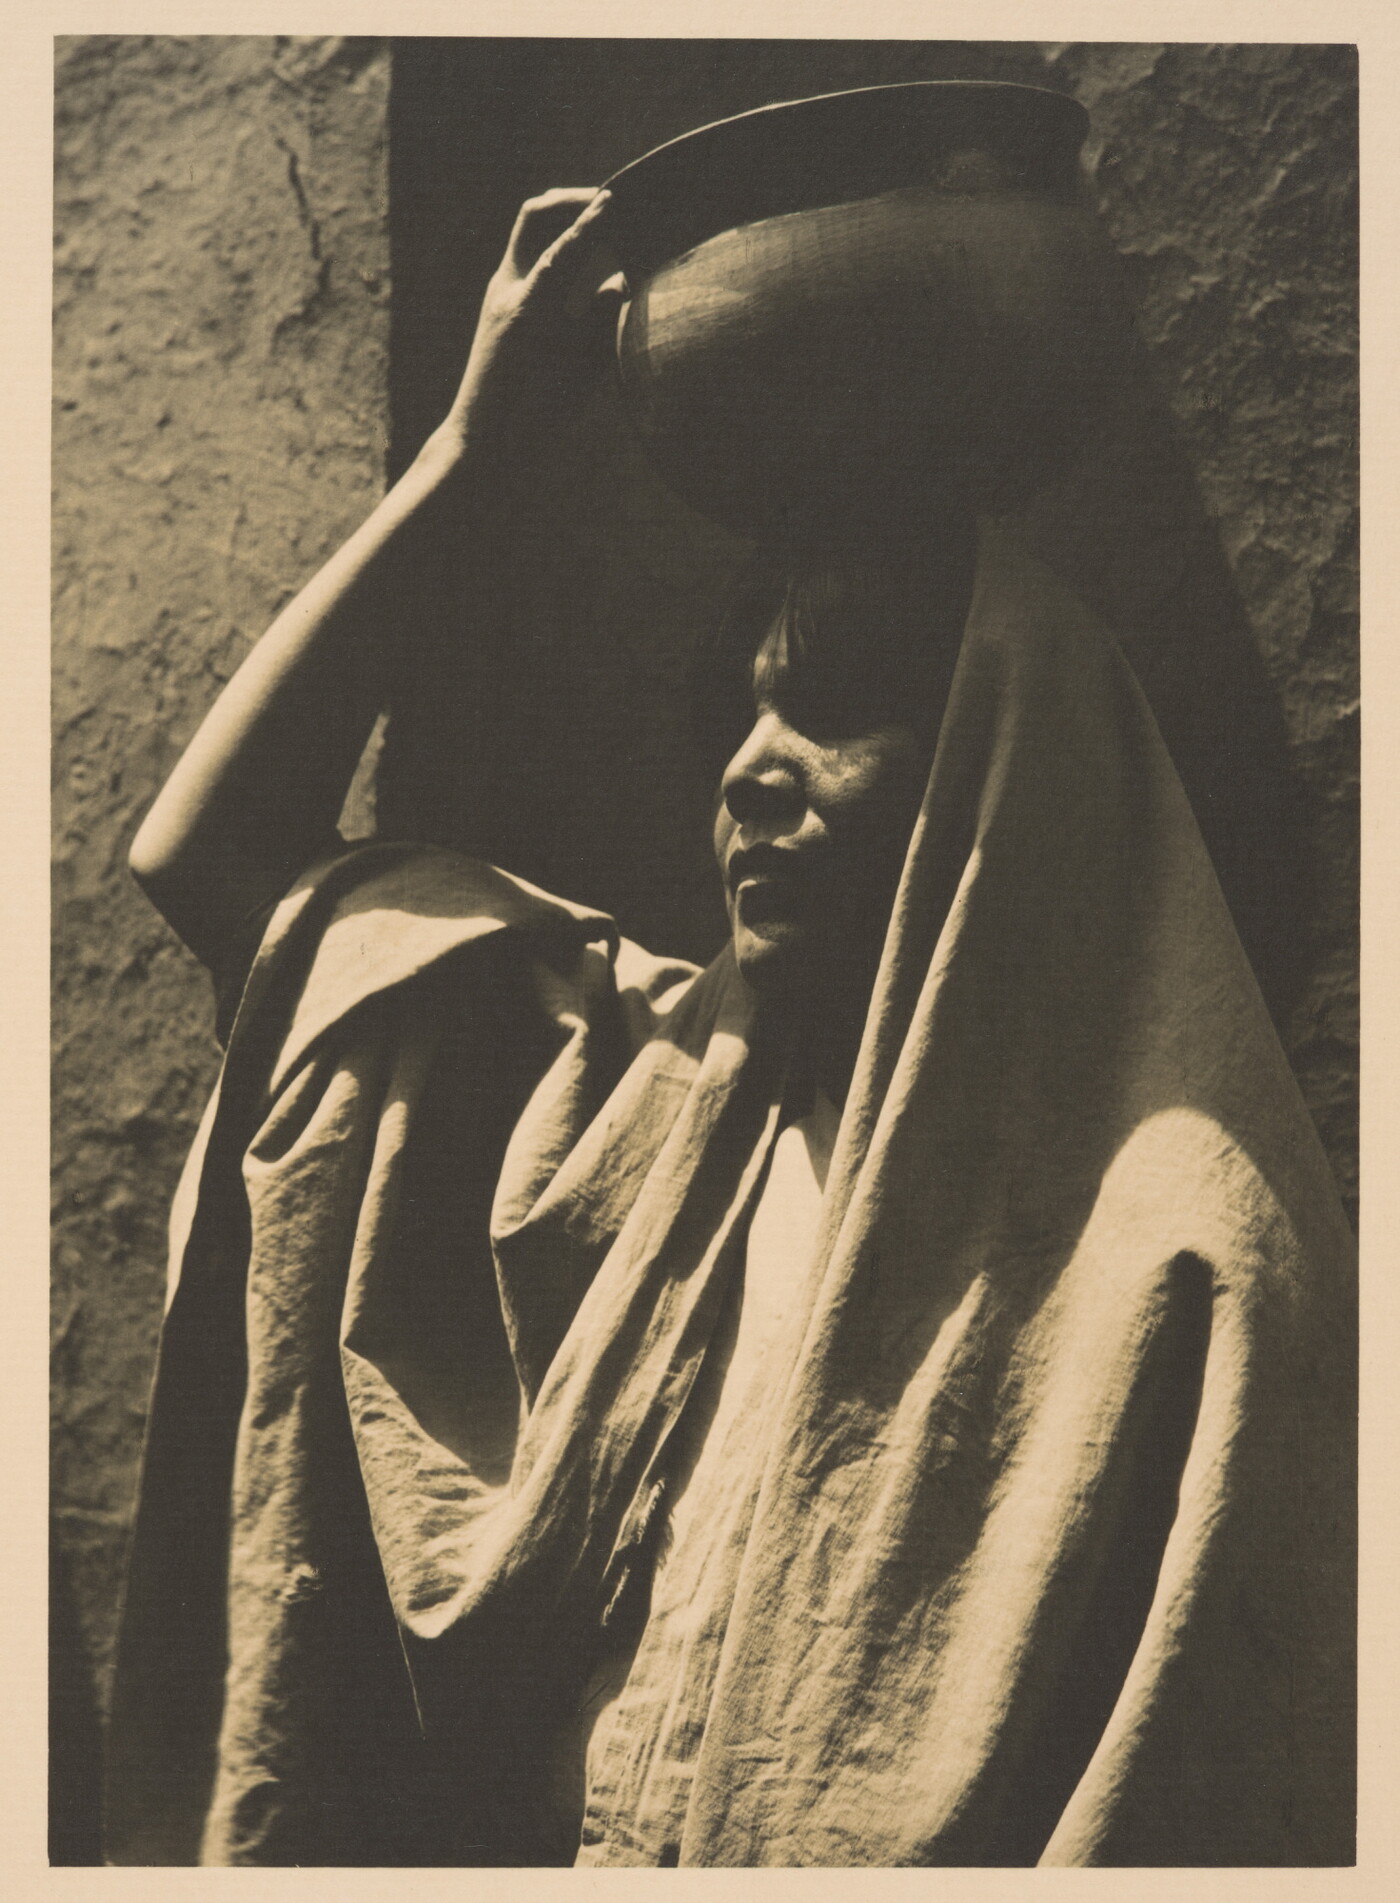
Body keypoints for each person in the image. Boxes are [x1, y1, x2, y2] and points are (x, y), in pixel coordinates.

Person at [106, 188, 1354, 1868]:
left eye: (833, 707)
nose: (751, 768)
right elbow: (208, 853)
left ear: (1009, 766)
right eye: (741, 705)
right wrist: (476, 452)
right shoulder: (634, 1086)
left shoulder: (1186, 1261)